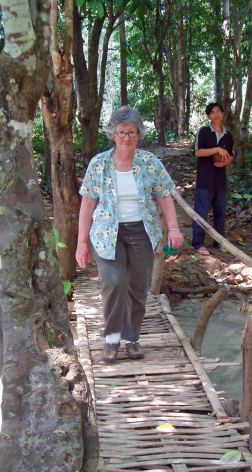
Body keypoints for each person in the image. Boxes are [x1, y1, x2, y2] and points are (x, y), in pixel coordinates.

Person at [76, 106, 184, 362]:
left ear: (139, 134)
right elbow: (88, 203)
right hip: (106, 233)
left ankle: (132, 339)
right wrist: (82, 242)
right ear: (113, 134)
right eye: (121, 133)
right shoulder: (99, 164)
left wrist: (174, 228)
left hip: (141, 232)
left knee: (137, 287)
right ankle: (112, 339)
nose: (126, 138)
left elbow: (164, 196)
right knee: (115, 283)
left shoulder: (149, 162)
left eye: (132, 133)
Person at [192, 102, 234, 255]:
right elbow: (197, 152)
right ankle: (198, 242)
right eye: (212, 112)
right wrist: (216, 149)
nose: (216, 114)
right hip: (205, 177)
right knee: (201, 210)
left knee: (220, 211)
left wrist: (224, 160)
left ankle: (220, 241)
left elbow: (230, 155)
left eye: (219, 111)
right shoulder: (203, 132)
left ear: (223, 114)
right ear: (208, 116)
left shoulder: (228, 135)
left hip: (220, 178)